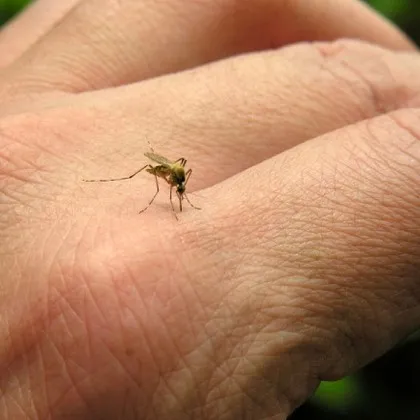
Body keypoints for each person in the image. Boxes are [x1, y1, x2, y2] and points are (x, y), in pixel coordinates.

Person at [0, 0, 419, 418]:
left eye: (179, 184)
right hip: (156, 166)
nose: (178, 185)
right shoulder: (166, 173)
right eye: (178, 184)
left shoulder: (180, 176)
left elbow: (181, 176)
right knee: (151, 187)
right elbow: (165, 170)